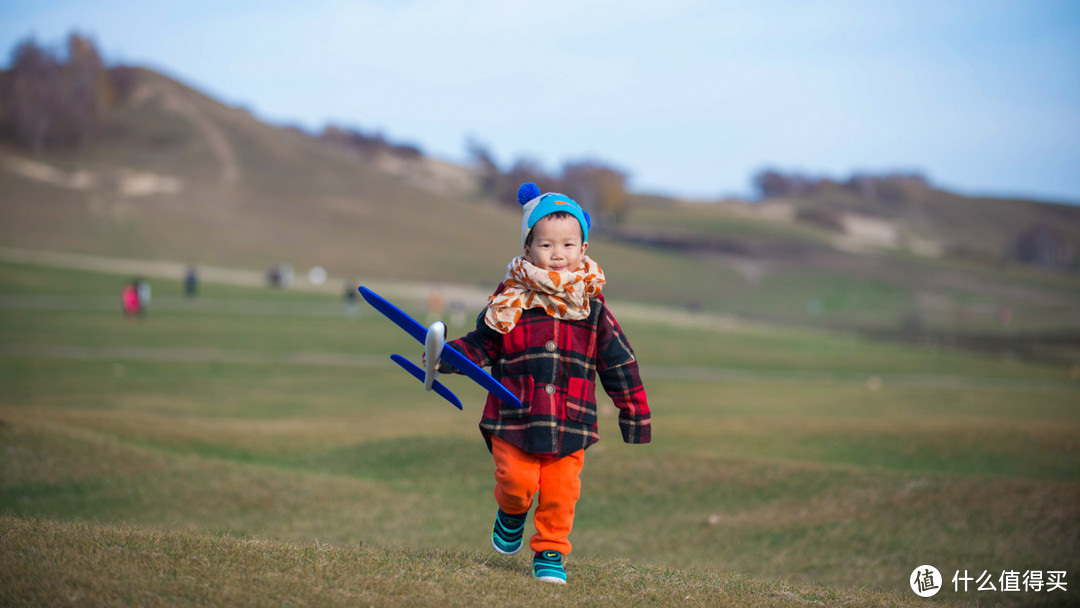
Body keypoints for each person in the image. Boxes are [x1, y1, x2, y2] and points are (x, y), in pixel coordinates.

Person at [438, 182, 651, 584]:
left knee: (560, 492)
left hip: (570, 422)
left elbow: (620, 363)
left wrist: (635, 414)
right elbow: (483, 346)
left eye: (569, 245)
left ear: (583, 250)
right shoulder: (510, 300)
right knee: (518, 483)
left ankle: (550, 552)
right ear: (527, 248)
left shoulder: (592, 308)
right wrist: (448, 358)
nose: (558, 255)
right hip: (514, 415)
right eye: (546, 245)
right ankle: (512, 511)